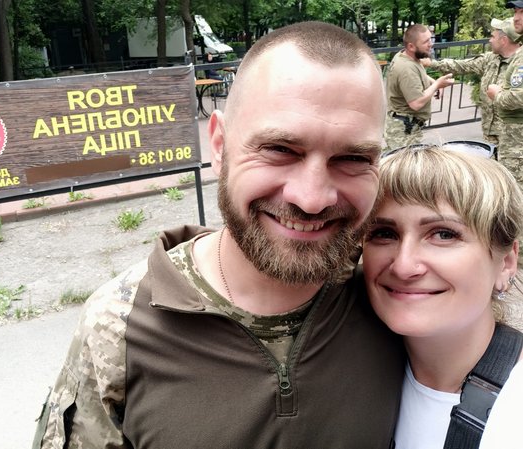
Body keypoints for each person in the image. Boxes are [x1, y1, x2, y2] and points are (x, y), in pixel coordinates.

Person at [32, 22, 405, 449]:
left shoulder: (396, 292)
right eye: (280, 149)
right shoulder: (119, 325)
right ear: (219, 145)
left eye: (353, 158)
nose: (312, 198)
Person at [362, 147, 523, 449]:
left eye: (444, 234)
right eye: (384, 233)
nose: (404, 266)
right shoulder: (349, 369)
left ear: (506, 263)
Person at [421, 18, 521, 149]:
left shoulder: (518, 65)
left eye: (493, 36)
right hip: (490, 134)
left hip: (513, 139)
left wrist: (497, 94)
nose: (490, 40)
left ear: (503, 40)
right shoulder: (491, 59)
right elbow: (462, 65)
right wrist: (432, 63)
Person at [384, 24, 455, 151]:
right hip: (403, 132)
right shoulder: (407, 68)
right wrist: (437, 85)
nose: (431, 44)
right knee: (405, 163)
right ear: (411, 46)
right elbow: (416, 103)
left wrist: (433, 83)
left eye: (430, 39)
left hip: (406, 126)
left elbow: (417, 76)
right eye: (426, 41)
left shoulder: (406, 56)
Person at [488, 2, 523, 190]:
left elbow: (518, 97)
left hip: (517, 142)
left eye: (522, 12)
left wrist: (497, 94)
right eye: (516, 12)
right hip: (513, 138)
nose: (516, 17)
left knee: (515, 192)